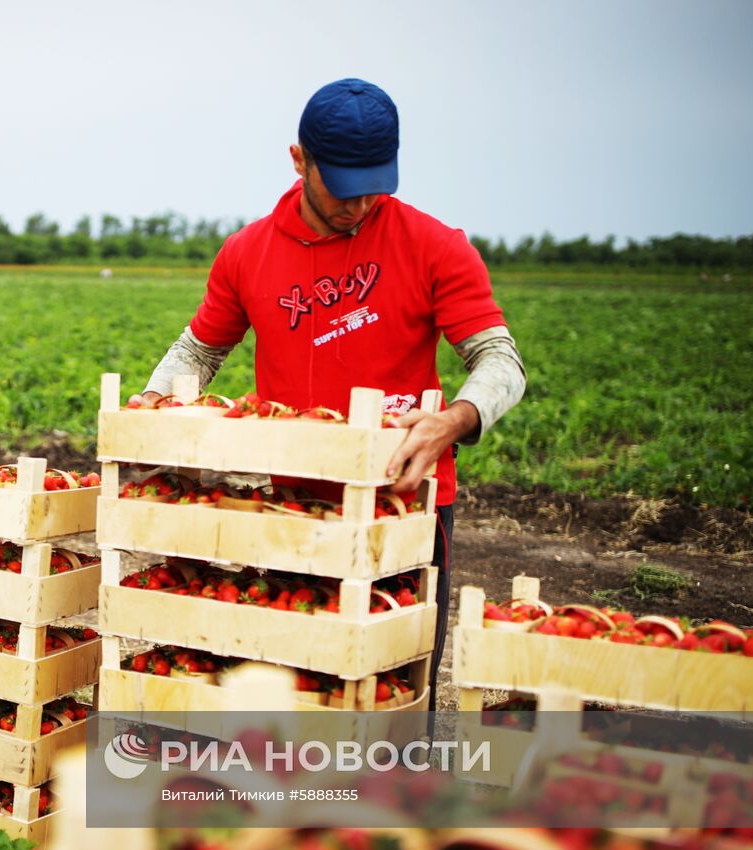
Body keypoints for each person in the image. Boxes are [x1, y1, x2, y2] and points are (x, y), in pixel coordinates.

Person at [131, 78, 526, 709]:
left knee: (391, 696)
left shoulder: (434, 246)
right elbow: (200, 350)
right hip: (287, 512)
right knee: (294, 692)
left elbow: (499, 361)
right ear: (300, 160)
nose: (359, 205)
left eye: (375, 186)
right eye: (343, 187)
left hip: (400, 506)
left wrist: (455, 418)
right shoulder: (247, 252)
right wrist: (153, 407)